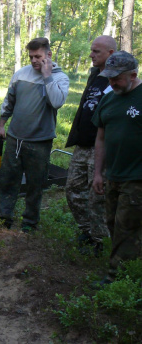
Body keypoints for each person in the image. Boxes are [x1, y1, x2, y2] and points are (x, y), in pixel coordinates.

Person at [0, 37, 69, 232]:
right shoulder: (21, 74)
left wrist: (47, 76)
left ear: (48, 55)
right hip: (15, 138)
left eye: (38, 56)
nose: (33, 60)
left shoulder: (60, 78)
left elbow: (56, 102)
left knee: (35, 184)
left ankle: (30, 222)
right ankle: (4, 218)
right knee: (7, 180)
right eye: (31, 56)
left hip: (40, 141)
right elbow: (9, 101)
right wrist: (1, 125)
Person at [91, 51, 142, 286]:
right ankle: (130, 265)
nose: (111, 82)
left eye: (117, 78)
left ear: (133, 74)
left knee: (126, 228)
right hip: (113, 174)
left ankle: (115, 279)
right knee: (112, 223)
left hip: (137, 178)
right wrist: (98, 173)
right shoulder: (109, 98)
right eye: (109, 77)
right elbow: (100, 138)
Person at [64, 35, 116, 255]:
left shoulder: (116, 80)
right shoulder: (95, 75)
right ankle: (87, 230)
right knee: (72, 189)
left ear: (111, 54)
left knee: (97, 197)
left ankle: (99, 241)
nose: (91, 55)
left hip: (100, 148)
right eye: (91, 50)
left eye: (96, 51)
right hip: (82, 146)